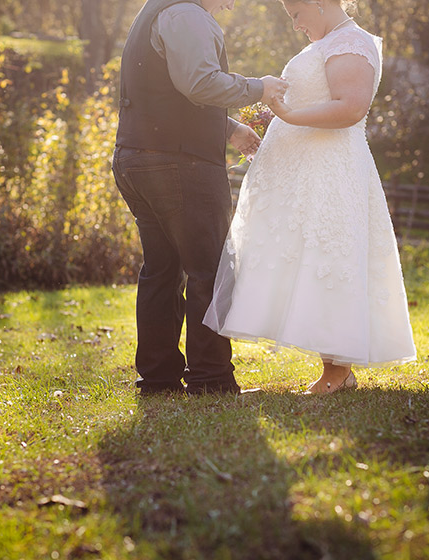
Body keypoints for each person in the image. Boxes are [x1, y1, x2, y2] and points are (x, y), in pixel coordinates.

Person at [204, 0, 417, 393]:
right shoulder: (329, 42)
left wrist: (287, 116)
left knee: (329, 253)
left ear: (320, 3)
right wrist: (266, 121)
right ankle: (333, 370)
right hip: (304, 170)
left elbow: (350, 109)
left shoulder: (351, 42)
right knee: (301, 256)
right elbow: (312, 100)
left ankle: (338, 371)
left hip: (329, 169)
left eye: (297, 15)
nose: (296, 25)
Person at [113, 0, 288, 395]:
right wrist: (260, 87)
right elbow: (199, 82)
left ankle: (158, 380)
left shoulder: (158, 11)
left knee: (162, 270)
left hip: (138, 159)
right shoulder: (187, 15)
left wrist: (229, 128)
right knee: (208, 270)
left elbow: (166, 91)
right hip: (179, 165)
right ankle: (211, 379)